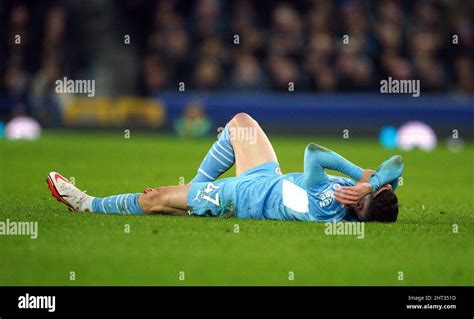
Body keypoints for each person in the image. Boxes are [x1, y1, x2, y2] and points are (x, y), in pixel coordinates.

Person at [47, 113, 403, 222]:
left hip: (243, 196)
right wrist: (371, 183)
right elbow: (397, 166)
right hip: (268, 179)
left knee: (153, 200)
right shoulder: (366, 197)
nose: (353, 196)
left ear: (357, 209)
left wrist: (360, 177)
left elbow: (312, 153)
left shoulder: (327, 207)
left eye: (357, 200)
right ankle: (192, 196)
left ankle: (86, 203)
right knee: (240, 123)